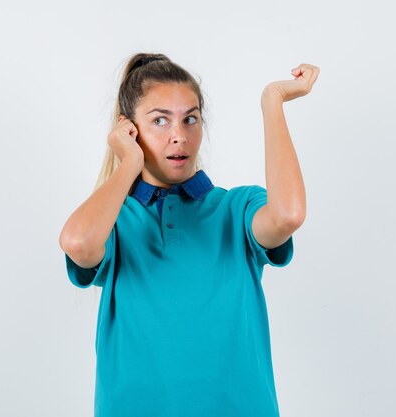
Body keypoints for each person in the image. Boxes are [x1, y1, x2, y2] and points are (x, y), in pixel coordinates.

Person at [59, 52, 319, 417]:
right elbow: (77, 243)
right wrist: (129, 163)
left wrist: (272, 101)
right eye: (160, 121)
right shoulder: (113, 221)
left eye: (190, 119)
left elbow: (289, 215)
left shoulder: (238, 207)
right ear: (128, 130)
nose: (179, 136)